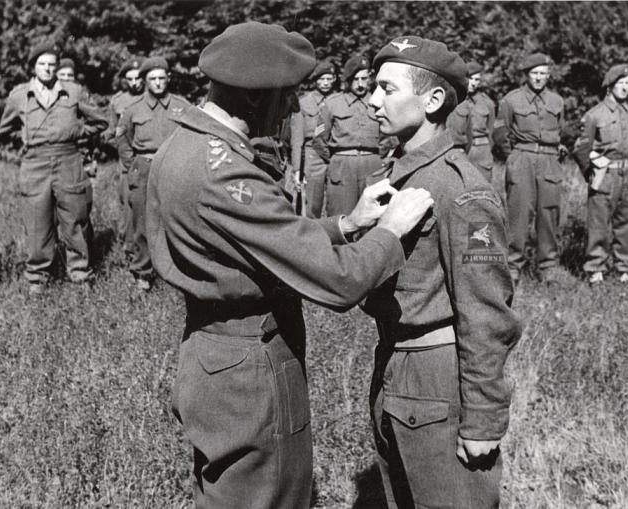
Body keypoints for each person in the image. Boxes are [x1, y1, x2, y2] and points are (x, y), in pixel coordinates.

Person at [145, 22, 435, 508]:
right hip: (251, 372)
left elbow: (256, 239)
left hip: (211, 356)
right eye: (287, 97)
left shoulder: (183, 147)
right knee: (271, 495)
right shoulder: (228, 175)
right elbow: (338, 282)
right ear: (256, 98)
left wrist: (345, 224)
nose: (291, 110)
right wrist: (390, 232)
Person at [363, 36, 522, 509]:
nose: (372, 101)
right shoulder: (398, 175)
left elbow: (486, 315)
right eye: (374, 87)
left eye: (387, 89)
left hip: (436, 378)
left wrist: (482, 419)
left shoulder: (461, 190)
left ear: (432, 100)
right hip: (394, 364)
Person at [0, 41, 107, 294]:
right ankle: (38, 277)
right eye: (42, 64)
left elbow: (100, 121)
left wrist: (77, 132)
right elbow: (5, 129)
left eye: (52, 64)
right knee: (38, 222)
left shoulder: (73, 92)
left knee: (75, 219)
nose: (47, 69)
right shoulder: (19, 95)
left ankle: (80, 273)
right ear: (33, 67)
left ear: (57, 67)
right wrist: (27, 138)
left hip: (68, 159)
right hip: (35, 164)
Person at [117, 56, 190, 290]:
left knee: (176, 219)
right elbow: (123, 139)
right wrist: (134, 165)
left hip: (173, 167)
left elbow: (192, 137)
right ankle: (143, 272)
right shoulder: (133, 110)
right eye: (152, 79)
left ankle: (178, 272)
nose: (157, 83)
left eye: (161, 78)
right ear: (145, 81)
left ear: (168, 78)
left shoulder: (183, 106)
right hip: (145, 167)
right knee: (142, 222)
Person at [494, 52, 567, 284]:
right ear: (526, 75)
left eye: (543, 73)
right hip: (522, 157)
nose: (538, 78)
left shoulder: (557, 101)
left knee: (549, 214)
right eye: (534, 73)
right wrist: (514, 157)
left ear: (549, 75)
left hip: (549, 159)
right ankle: (513, 266)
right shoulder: (511, 100)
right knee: (519, 214)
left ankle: (548, 267)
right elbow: (500, 133)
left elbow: (560, 130)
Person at [573, 64, 628, 284]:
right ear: (610, 86)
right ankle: (595, 269)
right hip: (605, 176)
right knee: (599, 225)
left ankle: (625, 269)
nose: (625, 87)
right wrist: (591, 174)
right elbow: (581, 149)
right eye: (620, 83)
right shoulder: (595, 114)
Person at [313, 54, 383, 216]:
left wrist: (377, 157)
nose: (360, 84)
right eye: (355, 79)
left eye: (364, 79)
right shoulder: (332, 103)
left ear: (370, 78)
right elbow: (319, 139)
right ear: (348, 80)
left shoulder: (378, 102)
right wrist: (337, 159)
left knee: (374, 215)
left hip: (372, 166)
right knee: (341, 214)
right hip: (342, 166)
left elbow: (388, 139)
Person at [105, 57, 144, 255]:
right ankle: (130, 249)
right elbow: (111, 133)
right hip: (127, 162)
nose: (135, 82)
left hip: (151, 158)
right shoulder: (118, 101)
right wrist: (125, 149)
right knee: (129, 204)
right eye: (130, 79)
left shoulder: (152, 97)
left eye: (138, 78)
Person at [290, 60, 337, 217]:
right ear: (315, 81)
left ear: (334, 79)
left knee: (337, 202)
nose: (325, 83)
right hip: (313, 156)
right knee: (312, 204)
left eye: (329, 79)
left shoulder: (339, 100)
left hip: (335, 153)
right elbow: (297, 139)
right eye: (321, 79)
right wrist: (297, 169)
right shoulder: (304, 103)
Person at [447, 60, 497, 187]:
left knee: (483, 189)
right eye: (470, 78)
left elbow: (491, 131)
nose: (473, 83)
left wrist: (486, 151)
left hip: (481, 152)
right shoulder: (452, 100)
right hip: (458, 151)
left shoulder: (487, 103)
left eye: (477, 80)